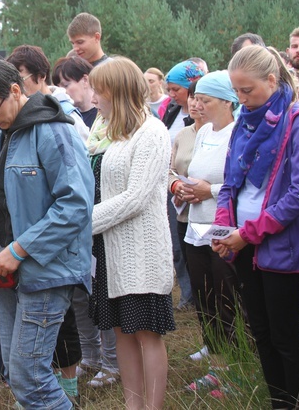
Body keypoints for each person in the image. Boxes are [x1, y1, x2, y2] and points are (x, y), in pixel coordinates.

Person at [0, 57, 94, 409]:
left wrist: (20, 249)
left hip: (47, 272)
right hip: (6, 272)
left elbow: (76, 205)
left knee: (30, 376)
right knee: (16, 368)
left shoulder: (55, 131)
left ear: (16, 90)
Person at [212, 45, 299, 408]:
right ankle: (279, 402)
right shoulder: (243, 121)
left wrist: (247, 233)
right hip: (243, 243)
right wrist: (224, 227)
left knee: (285, 334)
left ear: (272, 80)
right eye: (236, 92)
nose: (242, 99)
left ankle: (296, 404)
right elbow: (229, 182)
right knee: (260, 332)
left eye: (248, 91)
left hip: (279, 247)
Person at [89, 57, 174, 409]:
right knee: (122, 331)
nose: (93, 98)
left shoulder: (153, 132)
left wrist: (83, 222)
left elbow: (136, 198)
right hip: (112, 250)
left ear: (117, 91)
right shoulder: (116, 132)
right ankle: (132, 404)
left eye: (99, 90)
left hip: (142, 252)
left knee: (146, 334)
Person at [176, 71, 242, 393]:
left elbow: (239, 183)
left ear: (227, 101)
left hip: (224, 225)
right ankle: (217, 365)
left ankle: (238, 369)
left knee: (227, 297)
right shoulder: (202, 135)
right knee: (204, 298)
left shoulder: (238, 133)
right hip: (195, 225)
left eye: (206, 99)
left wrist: (209, 190)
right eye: (196, 98)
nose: (198, 104)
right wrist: (187, 190)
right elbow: (196, 175)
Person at [163, 59, 205, 311]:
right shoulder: (172, 112)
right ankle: (190, 296)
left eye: (175, 89)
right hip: (176, 190)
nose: (172, 95)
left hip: (201, 195)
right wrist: (175, 183)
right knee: (179, 247)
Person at [7, 45, 89, 142]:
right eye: (12, 82)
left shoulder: (66, 113)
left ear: (41, 76)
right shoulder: (19, 114)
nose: (16, 87)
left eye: (20, 79)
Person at [53, 56, 98, 129]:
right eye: (58, 88)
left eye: (66, 85)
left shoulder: (104, 114)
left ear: (85, 80)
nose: (61, 91)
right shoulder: (66, 117)